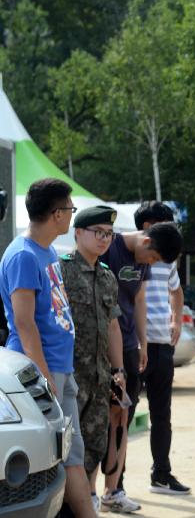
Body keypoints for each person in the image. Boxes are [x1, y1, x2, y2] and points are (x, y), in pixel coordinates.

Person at [0, 179, 96, 518]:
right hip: (44, 369)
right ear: (56, 214)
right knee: (68, 458)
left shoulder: (48, 251)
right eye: (70, 209)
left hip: (59, 366)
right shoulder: (24, 256)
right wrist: (42, 376)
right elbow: (24, 324)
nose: (71, 215)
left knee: (70, 455)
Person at [100, 220, 184, 512]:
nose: (152, 264)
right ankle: (98, 488)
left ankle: (113, 489)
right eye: (155, 259)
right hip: (101, 347)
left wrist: (143, 343)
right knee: (103, 419)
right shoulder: (109, 247)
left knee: (122, 416)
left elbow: (138, 299)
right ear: (147, 243)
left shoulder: (143, 260)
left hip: (128, 345)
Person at [60, 205, 126, 513]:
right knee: (64, 448)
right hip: (68, 376)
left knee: (95, 443)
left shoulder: (108, 276)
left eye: (109, 234)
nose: (104, 239)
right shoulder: (61, 269)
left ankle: (87, 499)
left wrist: (118, 369)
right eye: (98, 232)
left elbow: (113, 325)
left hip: (99, 377)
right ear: (78, 233)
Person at [134, 201, 191, 495]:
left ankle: (161, 474)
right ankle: (112, 485)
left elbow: (176, 290)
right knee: (122, 413)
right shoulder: (131, 258)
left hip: (162, 346)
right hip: (134, 347)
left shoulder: (166, 260)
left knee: (162, 415)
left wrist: (177, 320)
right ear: (147, 227)